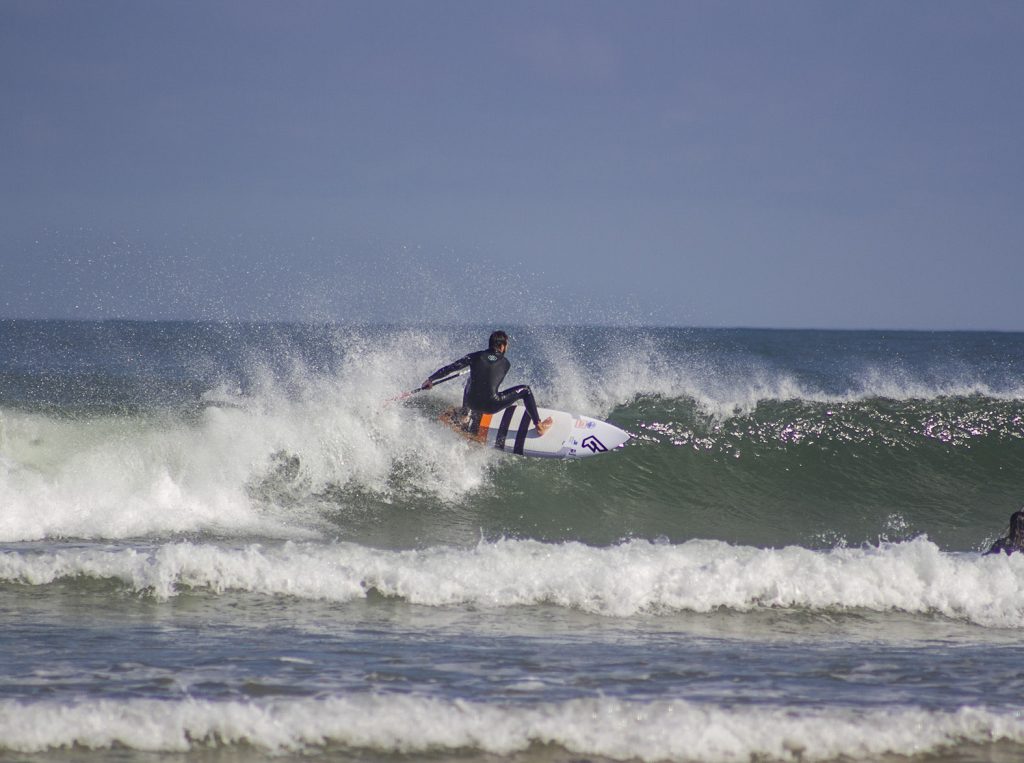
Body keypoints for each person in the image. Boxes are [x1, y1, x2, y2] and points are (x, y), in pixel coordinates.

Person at [422, 330, 553, 436]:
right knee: (526, 390)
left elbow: (451, 367)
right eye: (506, 345)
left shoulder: (474, 357)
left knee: (470, 382)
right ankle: (539, 427)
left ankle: (464, 415)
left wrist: (431, 380)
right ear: (502, 346)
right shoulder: (506, 363)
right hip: (491, 406)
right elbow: (491, 371)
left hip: (472, 403)